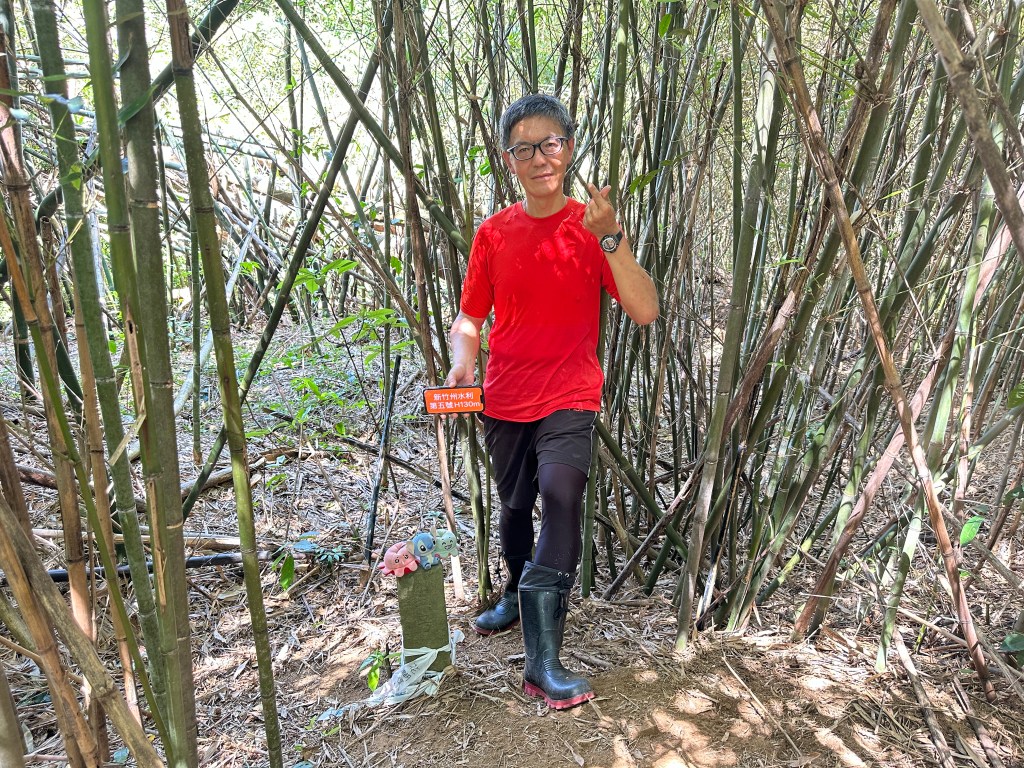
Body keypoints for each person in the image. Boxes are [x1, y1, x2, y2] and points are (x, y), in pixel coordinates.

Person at [444, 94, 658, 710]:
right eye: (525, 148)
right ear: (508, 159)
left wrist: (611, 237)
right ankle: (517, 592)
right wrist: (463, 359)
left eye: (551, 144)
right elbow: (470, 317)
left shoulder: (592, 228)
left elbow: (644, 310)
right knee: (514, 506)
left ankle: (542, 663)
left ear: (568, 147)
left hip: (571, 393)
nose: (540, 157)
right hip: (506, 395)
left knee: (562, 495)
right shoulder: (493, 233)